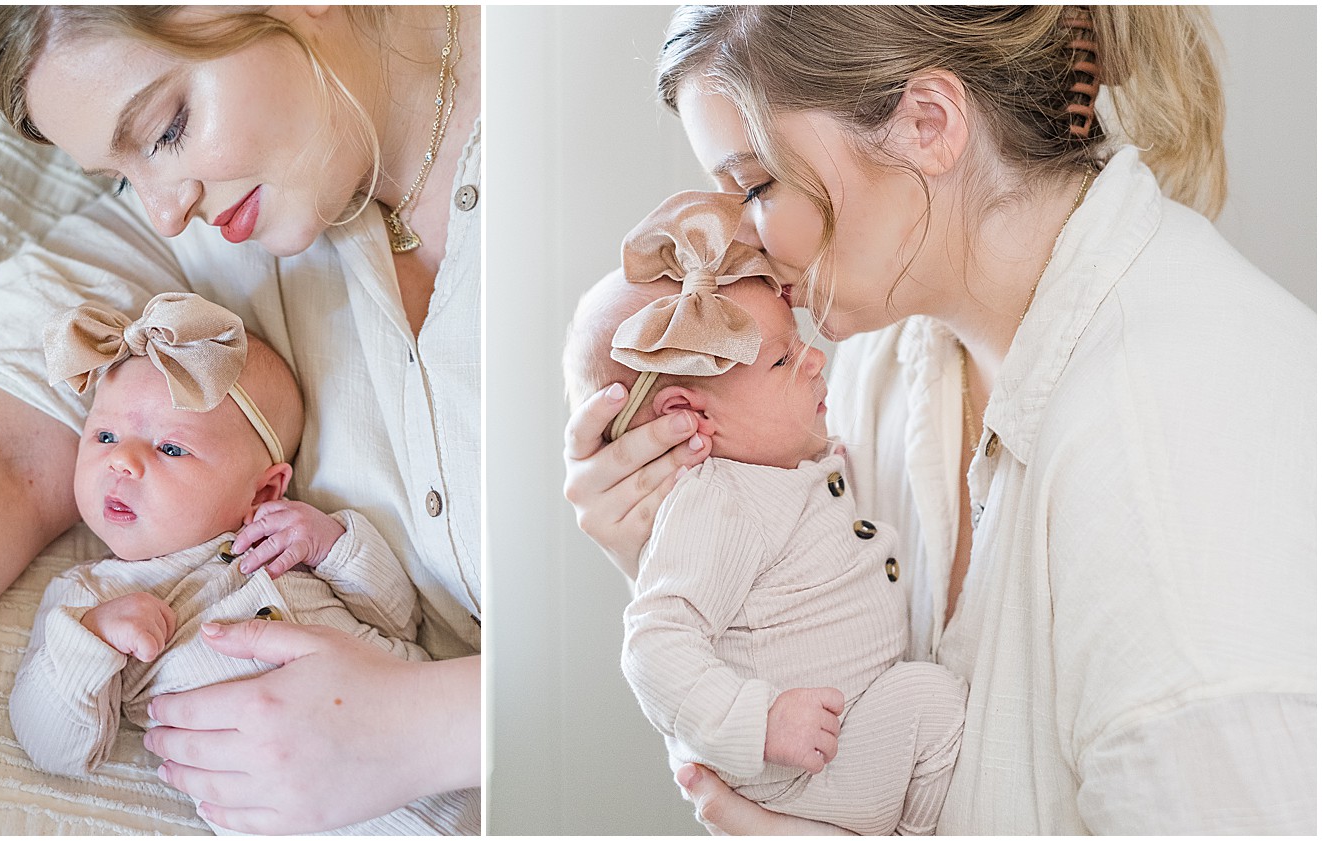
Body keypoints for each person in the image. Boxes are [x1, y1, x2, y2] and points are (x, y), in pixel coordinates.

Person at [563, 6, 1315, 834]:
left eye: (756, 185)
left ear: (929, 124)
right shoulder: (893, 362)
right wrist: (668, 542)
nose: (743, 238)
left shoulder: (1174, 463)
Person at [0, 6, 480, 834]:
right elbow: (5, 451)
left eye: (164, 129)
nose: (163, 208)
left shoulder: (637, 120)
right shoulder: (197, 260)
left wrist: (438, 724)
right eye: (119, 175)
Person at [564, 191, 967, 835]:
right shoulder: (721, 503)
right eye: (783, 359)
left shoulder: (786, 466)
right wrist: (757, 723)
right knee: (934, 703)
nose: (812, 358)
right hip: (803, 772)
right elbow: (655, 643)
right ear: (689, 418)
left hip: (838, 740)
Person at [12, 293, 465, 834]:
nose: (122, 461)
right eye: (105, 436)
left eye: (171, 449)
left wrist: (335, 544)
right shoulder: (87, 599)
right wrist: (93, 640)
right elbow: (52, 745)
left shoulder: (285, 542)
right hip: (296, 815)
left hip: (445, 756)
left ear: (264, 491)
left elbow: (398, 618)